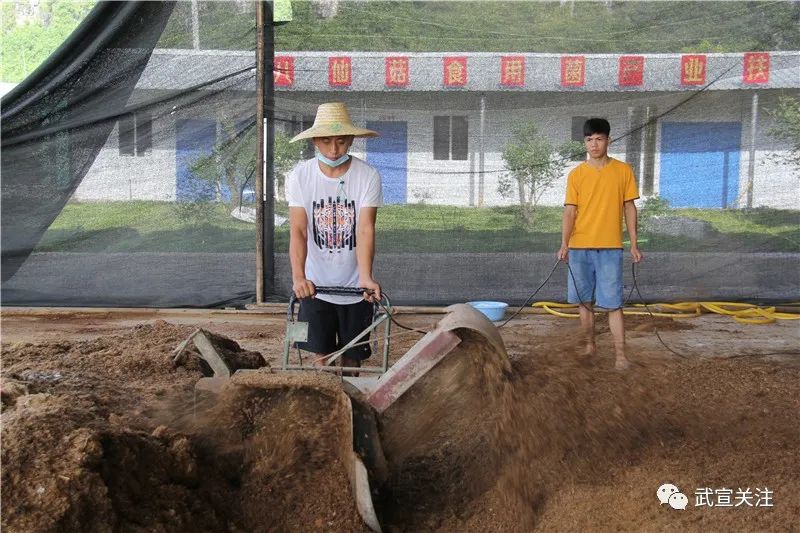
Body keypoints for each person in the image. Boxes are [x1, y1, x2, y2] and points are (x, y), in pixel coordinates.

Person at [286, 102, 383, 372]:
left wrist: (365, 276)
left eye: (341, 142)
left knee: (353, 357)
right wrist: (298, 277)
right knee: (322, 355)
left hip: (354, 285)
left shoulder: (367, 176)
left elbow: (365, 229)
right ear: (315, 141)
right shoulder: (300, 176)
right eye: (326, 141)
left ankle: (353, 398)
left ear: (351, 140)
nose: (333, 150)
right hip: (315, 284)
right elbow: (299, 230)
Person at [557, 118, 642, 370]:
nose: (594, 144)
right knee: (584, 302)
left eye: (599, 139)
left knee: (613, 304)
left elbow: (630, 207)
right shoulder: (576, 175)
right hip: (579, 247)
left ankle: (620, 355)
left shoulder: (623, 171)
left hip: (610, 248)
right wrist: (564, 244)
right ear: (584, 143)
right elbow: (570, 212)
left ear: (608, 140)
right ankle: (589, 346)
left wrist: (634, 244)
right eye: (589, 140)